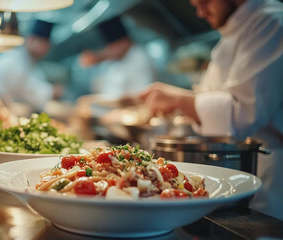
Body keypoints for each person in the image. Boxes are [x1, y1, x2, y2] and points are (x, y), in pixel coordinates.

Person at [138, 0, 283, 220]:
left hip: (269, 170)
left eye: (205, 1)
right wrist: (174, 100)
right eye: (195, 4)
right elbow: (209, 99)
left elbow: (243, 115)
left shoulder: (270, 22)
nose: (200, 12)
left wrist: (177, 99)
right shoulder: (232, 32)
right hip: (238, 168)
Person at [0, 19, 63, 115]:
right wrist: (53, 91)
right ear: (30, 39)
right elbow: (29, 93)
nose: (46, 48)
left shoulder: (31, 63)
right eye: (43, 43)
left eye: (47, 44)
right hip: (4, 115)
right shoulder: (12, 61)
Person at [78, 16, 157, 98]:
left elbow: (143, 95)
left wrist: (99, 57)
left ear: (124, 42)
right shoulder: (116, 60)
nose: (109, 51)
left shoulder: (140, 58)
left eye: (113, 46)